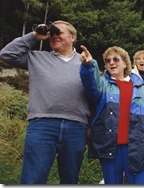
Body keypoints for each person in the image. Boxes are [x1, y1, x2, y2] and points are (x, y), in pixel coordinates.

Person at [0, 21, 92, 184]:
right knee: (32, 179)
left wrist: (91, 125)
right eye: (52, 32)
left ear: (73, 37)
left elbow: (95, 94)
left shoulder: (86, 61)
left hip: (76, 126)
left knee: (70, 180)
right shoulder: (37, 57)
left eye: (59, 32)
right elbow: (7, 54)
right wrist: (35, 36)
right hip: (42, 124)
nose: (54, 35)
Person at [79, 45, 144, 184]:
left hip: (137, 145)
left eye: (116, 59)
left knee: (140, 182)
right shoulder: (103, 84)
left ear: (125, 63)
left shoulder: (139, 85)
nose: (111, 62)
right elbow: (90, 85)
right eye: (107, 60)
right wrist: (88, 66)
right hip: (110, 145)